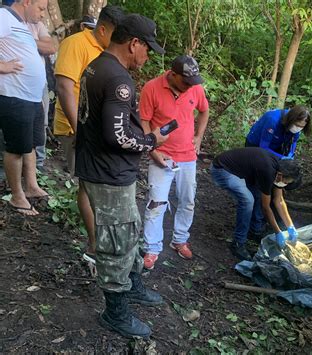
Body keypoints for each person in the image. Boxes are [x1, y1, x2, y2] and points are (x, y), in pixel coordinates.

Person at [75, 13, 167, 339]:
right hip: (109, 174)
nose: (148, 57)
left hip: (95, 166)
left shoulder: (96, 64)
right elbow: (117, 136)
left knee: (128, 233)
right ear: (134, 44)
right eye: (147, 50)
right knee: (117, 241)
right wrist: (150, 141)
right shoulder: (119, 80)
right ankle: (115, 311)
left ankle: (134, 285)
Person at [53, 5, 124, 262]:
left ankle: (101, 243)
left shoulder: (104, 50)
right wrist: (80, 130)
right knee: (87, 184)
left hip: (94, 129)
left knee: (95, 183)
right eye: (116, 35)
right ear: (103, 29)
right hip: (75, 128)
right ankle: (95, 245)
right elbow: (63, 86)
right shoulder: (76, 44)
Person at [139, 55, 210, 269]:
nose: (190, 86)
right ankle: (151, 247)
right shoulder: (152, 88)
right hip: (162, 154)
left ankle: (180, 238)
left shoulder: (194, 88)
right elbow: (143, 122)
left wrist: (198, 136)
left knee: (187, 200)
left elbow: (204, 110)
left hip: (188, 156)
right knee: (156, 203)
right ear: (173, 74)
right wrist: (152, 150)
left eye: (193, 82)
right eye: (185, 82)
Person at [0, 0, 49, 216]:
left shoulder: (21, 24)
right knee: (16, 147)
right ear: (27, 1)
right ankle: (17, 196)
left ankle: (31, 185)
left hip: (31, 96)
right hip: (14, 95)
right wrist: (2, 66)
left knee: (30, 143)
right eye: (40, 8)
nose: (42, 14)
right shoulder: (4, 16)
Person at [210, 147, 302, 260]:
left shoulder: (281, 168)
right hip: (222, 169)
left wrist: (290, 226)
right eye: (286, 182)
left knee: (258, 195)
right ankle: (238, 243)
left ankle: (254, 230)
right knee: (247, 201)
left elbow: (279, 200)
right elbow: (266, 207)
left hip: (244, 172)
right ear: (280, 175)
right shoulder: (268, 171)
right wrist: (278, 232)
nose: (285, 185)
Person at [27, 19, 57, 172]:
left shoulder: (36, 25)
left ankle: (38, 165)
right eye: (39, 8)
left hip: (39, 83)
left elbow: (50, 47)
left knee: (41, 123)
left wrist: (24, 40)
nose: (40, 14)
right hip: (12, 83)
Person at [245, 105, 312, 159]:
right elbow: (263, 147)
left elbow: (294, 141)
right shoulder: (273, 121)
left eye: (301, 127)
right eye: (297, 125)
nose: (298, 128)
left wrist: (291, 154)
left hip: (276, 144)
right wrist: (282, 157)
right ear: (291, 120)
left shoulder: (297, 126)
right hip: (255, 144)